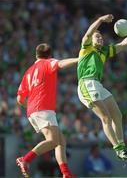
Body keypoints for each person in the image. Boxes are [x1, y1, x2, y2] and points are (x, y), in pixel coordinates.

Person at [77, 14, 127, 160]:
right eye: (97, 37)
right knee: (105, 118)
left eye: (101, 37)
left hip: (98, 85)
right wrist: (99, 20)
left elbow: (124, 44)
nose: (100, 39)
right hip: (86, 84)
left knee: (117, 115)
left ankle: (123, 148)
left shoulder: (104, 51)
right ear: (91, 41)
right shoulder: (86, 48)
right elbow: (88, 33)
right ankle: (118, 149)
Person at [16, 43, 78, 178]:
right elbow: (61, 64)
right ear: (50, 56)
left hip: (34, 110)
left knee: (61, 141)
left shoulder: (28, 71)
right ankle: (25, 159)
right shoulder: (47, 63)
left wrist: (31, 106)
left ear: (36, 55)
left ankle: (66, 173)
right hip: (43, 108)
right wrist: (80, 59)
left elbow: (20, 99)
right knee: (53, 141)